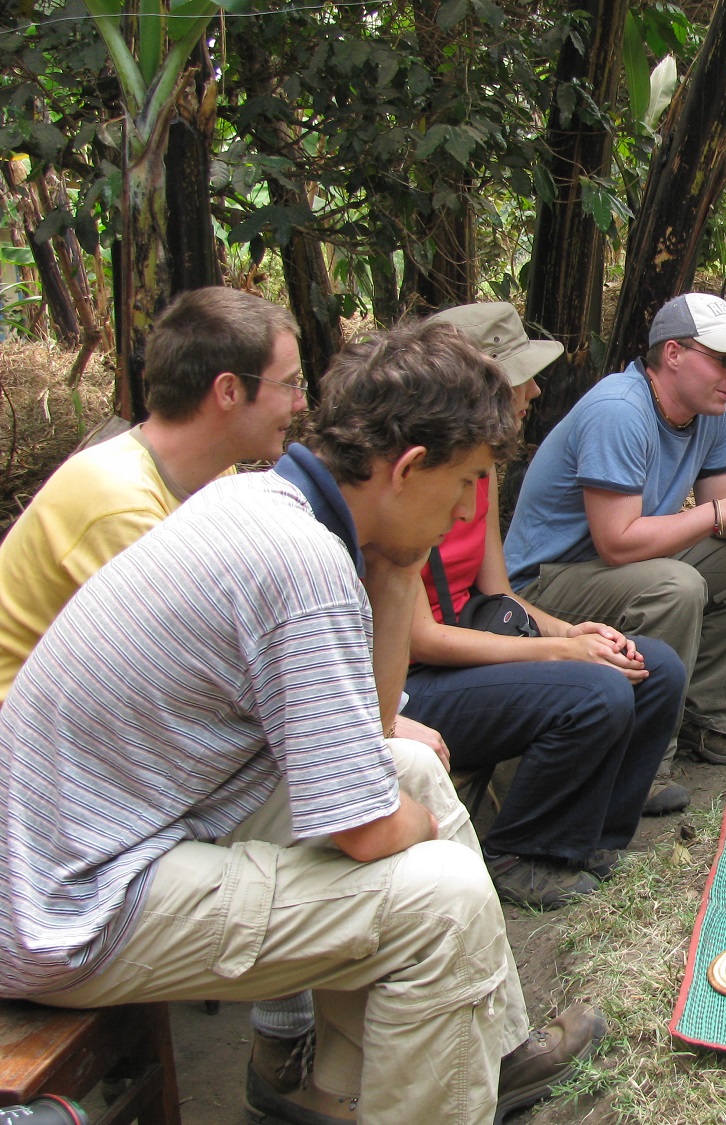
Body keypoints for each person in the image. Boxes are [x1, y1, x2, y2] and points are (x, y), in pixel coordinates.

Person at [0, 319, 603, 1125]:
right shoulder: (301, 563)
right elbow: (365, 828)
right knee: (443, 896)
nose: (467, 507)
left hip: (108, 842)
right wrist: (416, 829)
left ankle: (375, 1088)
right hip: (71, 904)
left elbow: (377, 730)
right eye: (466, 481)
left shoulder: (268, 500)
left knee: (412, 771)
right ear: (408, 468)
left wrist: (397, 575)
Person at [403, 302, 686, 909]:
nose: (533, 389)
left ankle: (591, 839)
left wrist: (577, 631)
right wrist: (564, 651)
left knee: (651, 666)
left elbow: (498, 594)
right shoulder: (408, 480)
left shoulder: (480, 471)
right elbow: (419, 639)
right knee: (594, 689)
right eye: (518, 379)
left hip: (470, 646)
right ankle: (522, 852)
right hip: (416, 680)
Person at [504, 293, 726, 814]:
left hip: (620, 567)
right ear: (672, 354)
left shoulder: (713, 408)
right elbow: (617, 542)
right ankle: (639, 765)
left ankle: (707, 721)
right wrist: (723, 514)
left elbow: (720, 510)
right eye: (724, 360)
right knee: (675, 586)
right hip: (545, 584)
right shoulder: (620, 410)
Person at [0, 286, 305, 701]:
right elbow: (192, 672)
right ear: (229, 391)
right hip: (33, 744)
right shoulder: (119, 505)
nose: (301, 403)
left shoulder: (216, 476)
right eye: (288, 384)